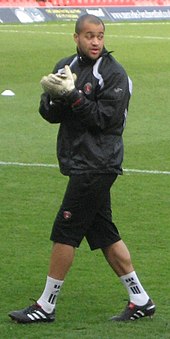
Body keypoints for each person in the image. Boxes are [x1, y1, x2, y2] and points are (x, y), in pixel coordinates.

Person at [9, 14, 155, 323]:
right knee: (103, 232)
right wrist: (54, 97)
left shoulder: (114, 74)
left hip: (98, 164)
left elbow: (106, 121)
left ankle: (45, 305)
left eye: (100, 36)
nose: (95, 41)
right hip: (80, 161)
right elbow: (49, 113)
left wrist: (73, 96)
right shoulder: (68, 66)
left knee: (65, 230)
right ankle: (140, 299)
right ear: (76, 37)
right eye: (89, 36)